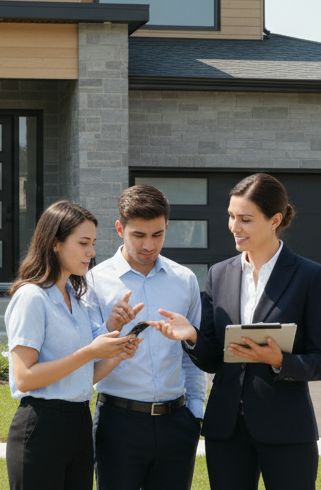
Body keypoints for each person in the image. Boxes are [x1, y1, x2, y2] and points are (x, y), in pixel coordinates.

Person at [149, 173, 321, 490]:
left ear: (275, 219)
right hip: (226, 429)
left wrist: (280, 360)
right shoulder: (219, 274)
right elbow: (213, 360)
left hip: (287, 428)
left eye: (245, 219)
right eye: (231, 216)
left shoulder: (310, 276)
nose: (234, 227)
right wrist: (192, 336)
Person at [5, 200, 142, 490]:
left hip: (79, 422)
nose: (91, 252)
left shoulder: (74, 296)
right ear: (55, 244)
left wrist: (116, 353)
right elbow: (25, 377)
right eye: (83, 243)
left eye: (92, 243)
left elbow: (83, 375)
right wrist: (89, 352)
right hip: (41, 426)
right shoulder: (32, 297)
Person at [85, 185, 207, 490]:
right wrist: (112, 328)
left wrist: (194, 412)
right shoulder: (93, 281)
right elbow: (84, 354)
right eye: (139, 235)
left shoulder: (185, 280)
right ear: (119, 229)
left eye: (158, 234)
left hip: (177, 423)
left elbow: (190, 355)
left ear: (167, 227)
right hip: (118, 422)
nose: (149, 245)